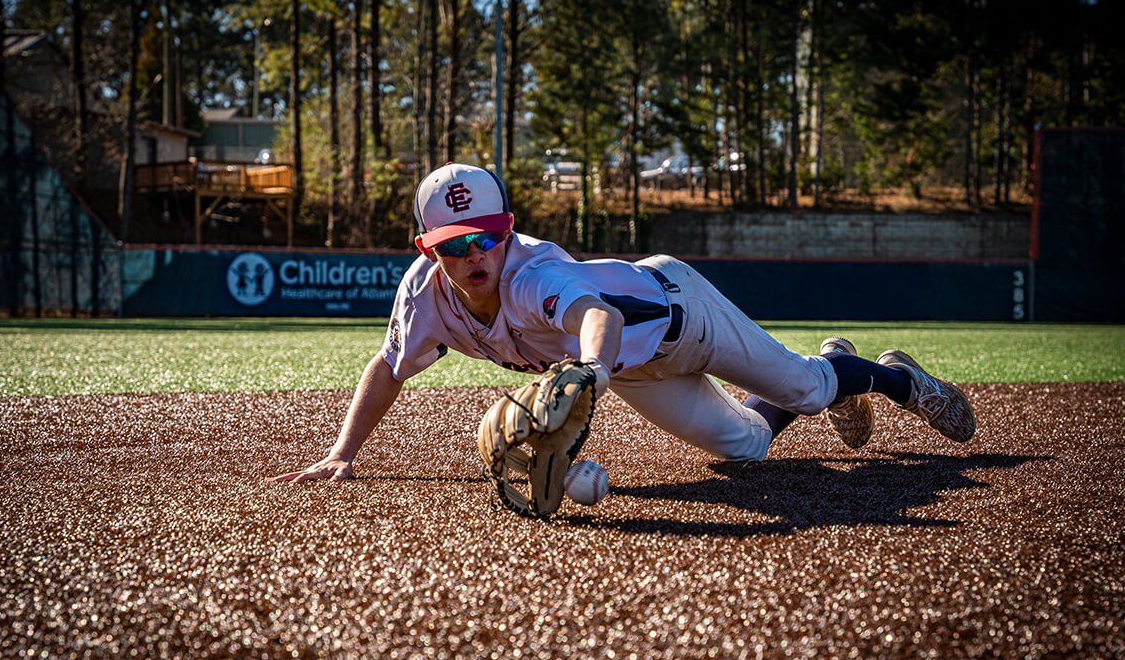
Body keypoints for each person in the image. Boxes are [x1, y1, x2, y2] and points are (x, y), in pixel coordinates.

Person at [270, 163, 975, 484]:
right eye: (453, 243)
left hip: (681, 313)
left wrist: (588, 373)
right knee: (748, 450)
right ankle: (832, 367)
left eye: (484, 235)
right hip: (636, 372)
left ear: (507, 230)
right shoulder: (424, 294)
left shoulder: (531, 271)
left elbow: (594, 315)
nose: (474, 253)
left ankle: (896, 380)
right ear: (427, 248)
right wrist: (344, 452)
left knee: (814, 392)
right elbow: (389, 366)